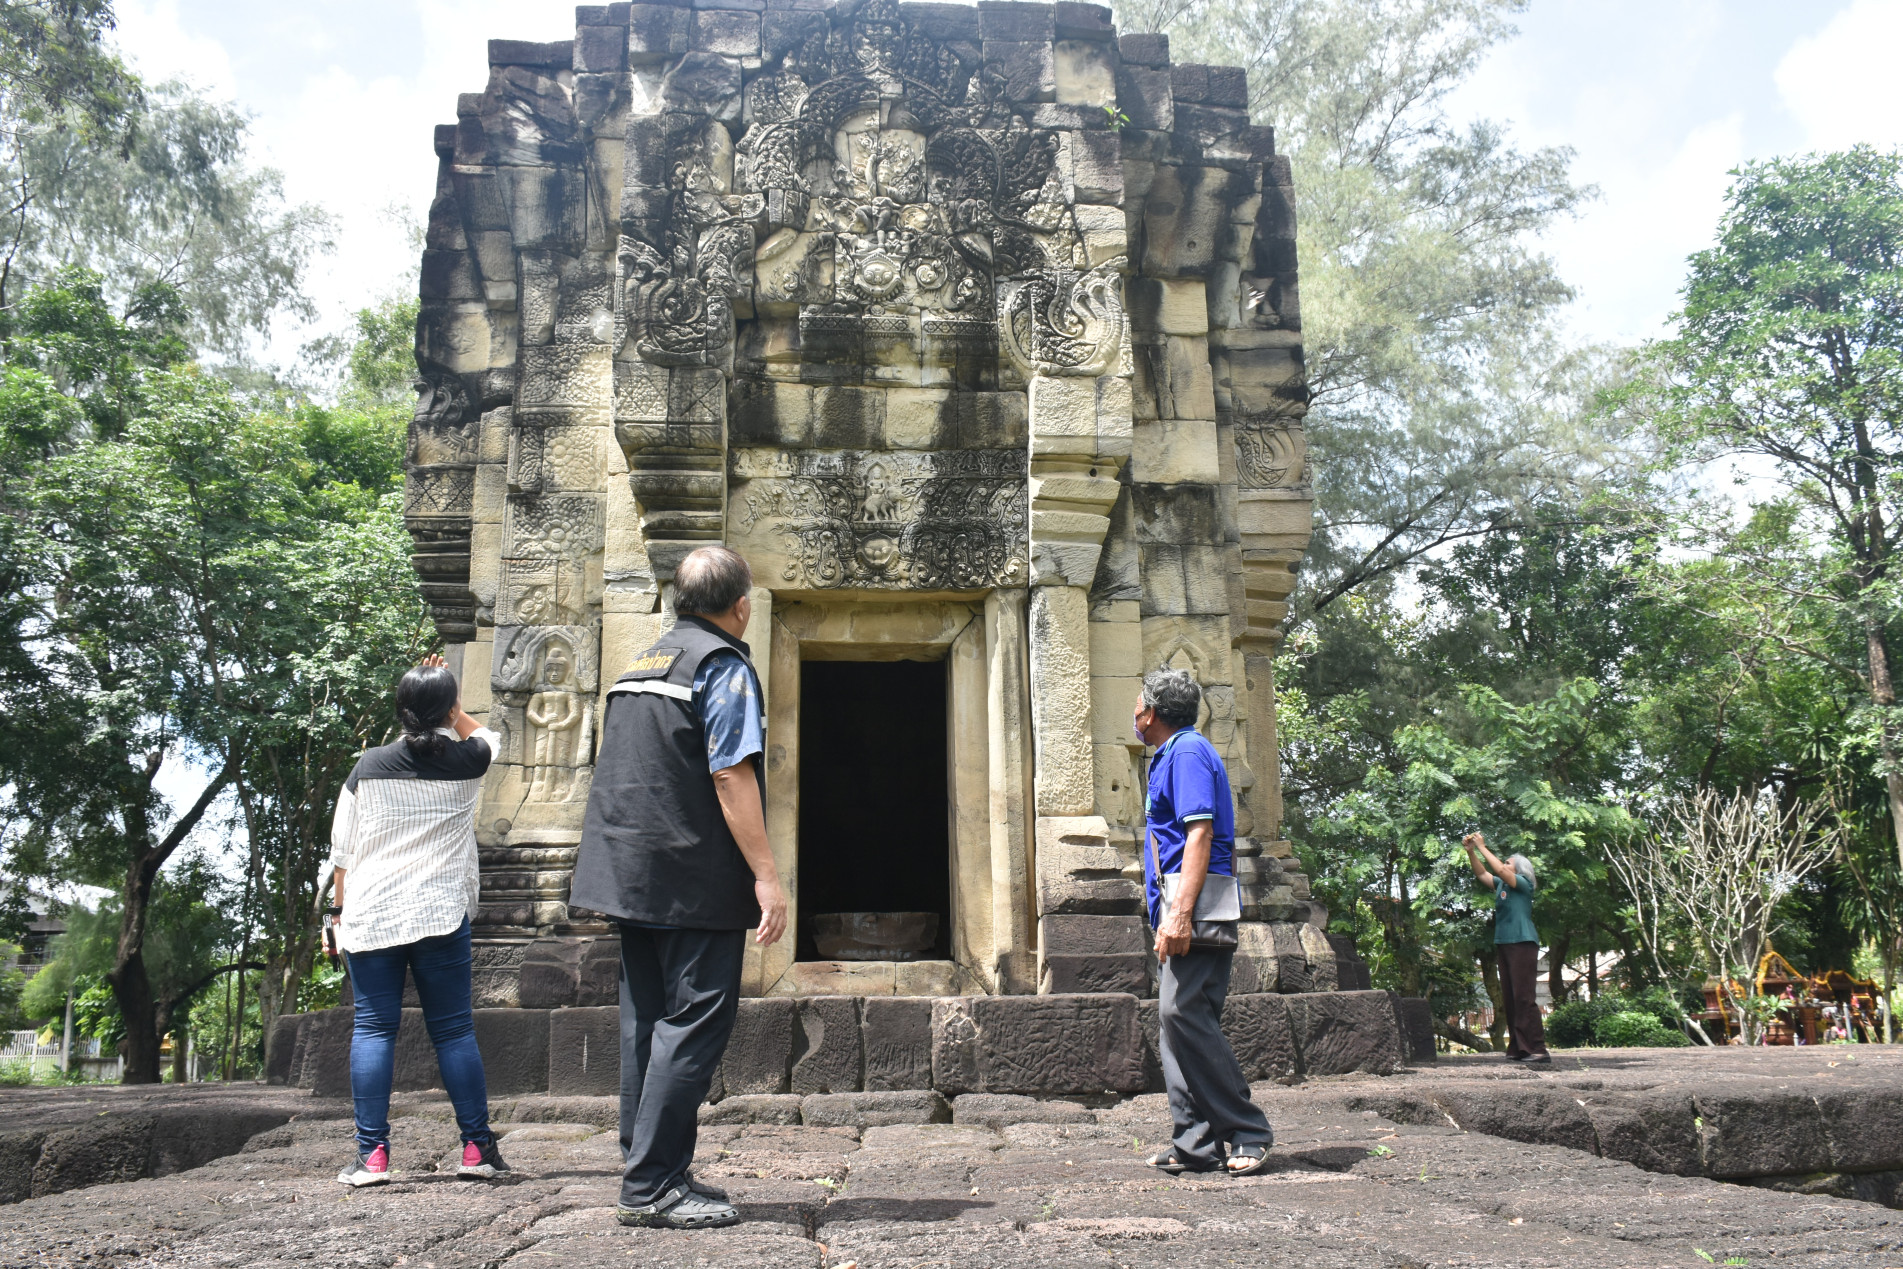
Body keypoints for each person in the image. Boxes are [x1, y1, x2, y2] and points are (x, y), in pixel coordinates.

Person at [568, 545, 789, 1230]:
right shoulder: (722, 666)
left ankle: (651, 1166)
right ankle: (651, 1185)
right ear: (741, 606)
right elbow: (730, 773)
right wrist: (766, 875)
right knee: (693, 1022)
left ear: (675, 601)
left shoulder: (640, 665)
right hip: (690, 875)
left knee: (647, 1022)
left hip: (628, 872)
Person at [327, 654, 509, 1186]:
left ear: (401, 711)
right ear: (449, 711)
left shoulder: (368, 767)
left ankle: (373, 1157)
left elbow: (343, 854)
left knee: (373, 1028)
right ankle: (476, 1150)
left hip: (373, 911)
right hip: (438, 910)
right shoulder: (470, 760)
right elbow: (493, 736)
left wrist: (337, 916)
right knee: (453, 1031)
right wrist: (452, 706)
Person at [1133, 667, 1273, 1177]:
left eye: (1137, 705)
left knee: (1181, 1015)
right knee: (1177, 1024)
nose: (1134, 714)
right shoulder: (1171, 755)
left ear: (1151, 711)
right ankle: (1193, 1142)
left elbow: (1199, 835)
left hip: (1193, 910)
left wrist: (1180, 916)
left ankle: (1246, 1129)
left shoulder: (1188, 752)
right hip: (1175, 908)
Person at [1463, 832, 1550, 1063]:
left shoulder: (1523, 884)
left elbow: (1499, 870)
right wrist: (1471, 852)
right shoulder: (1502, 883)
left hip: (1522, 943)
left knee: (1523, 997)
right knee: (1510, 998)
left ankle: (1538, 1049)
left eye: (1508, 862)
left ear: (1519, 869)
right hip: (1505, 943)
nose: (1504, 864)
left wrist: (1482, 846)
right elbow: (1482, 873)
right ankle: (1519, 1048)